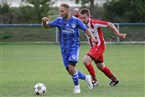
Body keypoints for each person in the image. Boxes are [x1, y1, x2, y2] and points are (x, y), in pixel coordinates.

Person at [42, 4, 97, 93]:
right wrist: (44, 22)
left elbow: (86, 30)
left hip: (74, 47)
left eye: (62, 11)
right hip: (64, 49)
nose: (60, 13)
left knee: (72, 67)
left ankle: (77, 87)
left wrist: (92, 38)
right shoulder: (59, 21)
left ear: (68, 11)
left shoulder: (76, 21)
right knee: (70, 70)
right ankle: (86, 77)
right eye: (60, 11)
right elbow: (47, 26)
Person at [79, 8, 126, 87]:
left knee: (86, 61)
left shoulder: (94, 23)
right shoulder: (82, 24)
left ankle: (94, 80)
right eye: (81, 17)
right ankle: (114, 79)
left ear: (88, 16)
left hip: (100, 46)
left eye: (84, 18)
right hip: (94, 47)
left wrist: (118, 34)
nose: (82, 19)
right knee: (101, 67)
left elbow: (110, 24)